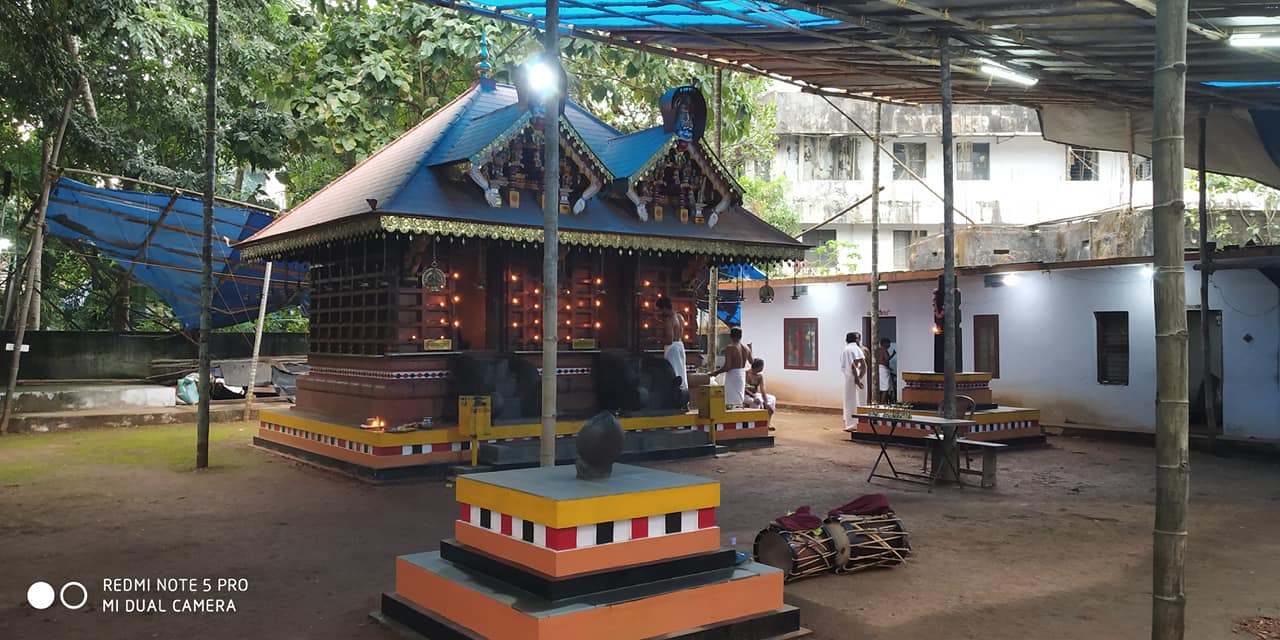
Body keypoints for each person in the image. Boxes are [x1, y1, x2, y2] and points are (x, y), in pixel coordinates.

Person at [712, 326, 751, 406]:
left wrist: (715, 373)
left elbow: (727, 367)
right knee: (739, 399)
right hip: (741, 375)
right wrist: (751, 349)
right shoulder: (746, 348)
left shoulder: (730, 348)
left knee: (730, 401)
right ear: (741, 336)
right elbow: (752, 362)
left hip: (733, 375)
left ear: (731, 336)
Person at [656, 296, 687, 390]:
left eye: (660, 310)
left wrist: (656, 339)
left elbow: (669, 340)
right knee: (681, 371)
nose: (660, 312)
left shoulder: (669, 320)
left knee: (673, 373)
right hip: (680, 346)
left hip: (672, 349)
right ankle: (683, 393)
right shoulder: (680, 317)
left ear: (665, 308)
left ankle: (675, 395)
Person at [840, 332, 866, 431]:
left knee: (849, 400)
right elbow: (864, 366)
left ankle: (851, 424)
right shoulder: (858, 349)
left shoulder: (847, 349)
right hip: (857, 376)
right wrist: (860, 377)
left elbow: (852, 366)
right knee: (858, 399)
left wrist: (856, 379)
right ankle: (858, 422)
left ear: (846, 340)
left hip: (851, 377)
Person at [745, 357, 776, 429]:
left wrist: (767, 403)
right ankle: (755, 425)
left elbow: (763, 390)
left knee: (772, 399)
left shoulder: (760, 376)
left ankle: (767, 424)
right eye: (762, 366)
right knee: (756, 402)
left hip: (755, 394)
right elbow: (744, 389)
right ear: (758, 367)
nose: (763, 368)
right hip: (745, 395)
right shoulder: (746, 374)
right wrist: (754, 397)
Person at [876, 338, 895, 404]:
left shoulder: (878, 350)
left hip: (880, 369)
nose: (889, 345)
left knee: (882, 387)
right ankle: (882, 402)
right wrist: (893, 354)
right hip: (883, 370)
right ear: (884, 343)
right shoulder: (884, 350)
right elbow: (886, 359)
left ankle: (881, 402)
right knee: (885, 388)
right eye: (888, 343)